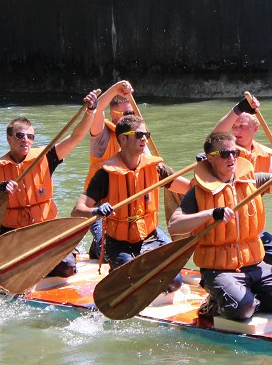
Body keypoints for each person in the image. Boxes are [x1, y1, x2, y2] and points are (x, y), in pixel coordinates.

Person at [169, 131, 272, 324]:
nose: (232, 158)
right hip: (219, 269)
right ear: (210, 158)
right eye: (225, 154)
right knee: (241, 310)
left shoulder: (254, 180)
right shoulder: (197, 192)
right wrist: (211, 213)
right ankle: (217, 302)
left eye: (235, 153)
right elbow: (175, 226)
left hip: (255, 265)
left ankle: (246, 298)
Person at [0, 89, 101, 278]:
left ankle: (39, 263)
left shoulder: (46, 158)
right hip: (13, 233)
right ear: (9, 138)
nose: (26, 140)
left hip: (44, 229)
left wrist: (90, 112)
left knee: (68, 268)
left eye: (31, 136)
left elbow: (76, 136)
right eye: (20, 135)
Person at [71, 114, 191, 290]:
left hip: (149, 238)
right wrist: (96, 211)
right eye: (138, 135)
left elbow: (190, 187)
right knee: (133, 280)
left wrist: (206, 167)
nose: (144, 139)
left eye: (146, 135)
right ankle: (110, 263)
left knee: (174, 283)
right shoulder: (105, 174)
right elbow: (77, 210)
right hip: (118, 242)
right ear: (123, 138)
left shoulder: (156, 168)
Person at [211, 96, 272, 274]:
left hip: (252, 228)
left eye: (241, 126)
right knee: (236, 267)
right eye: (234, 126)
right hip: (225, 228)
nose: (236, 130)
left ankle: (259, 279)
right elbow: (214, 135)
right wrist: (238, 109)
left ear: (255, 128)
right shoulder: (223, 154)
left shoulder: (264, 155)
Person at [82, 82, 136, 259]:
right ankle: (100, 246)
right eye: (126, 114)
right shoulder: (102, 137)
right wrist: (115, 89)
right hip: (100, 207)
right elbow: (97, 112)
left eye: (132, 113)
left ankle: (96, 248)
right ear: (113, 114)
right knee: (107, 254)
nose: (130, 118)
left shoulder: (138, 138)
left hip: (127, 208)